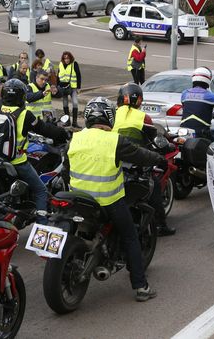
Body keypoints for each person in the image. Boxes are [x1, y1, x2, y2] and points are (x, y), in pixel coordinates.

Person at [63, 97, 167, 301]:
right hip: (107, 200)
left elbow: (66, 168)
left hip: (77, 197)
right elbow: (141, 155)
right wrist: (160, 159)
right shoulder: (114, 140)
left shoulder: (75, 138)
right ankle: (141, 287)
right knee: (130, 236)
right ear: (110, 117)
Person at [0, 79, 68, 217]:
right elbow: (44, 129)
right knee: (41, 191)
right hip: (17, 163)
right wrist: (63, 133)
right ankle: (42, 225)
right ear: (21, 96)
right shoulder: (24, 114)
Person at [113, 83, 176, 236]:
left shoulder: (113, 114)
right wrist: (167, 146)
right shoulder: (142, 117)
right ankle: (161, 225)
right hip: (136, 158)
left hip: (114, 157)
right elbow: (155, 137)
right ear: (138, 100)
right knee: (153, 186)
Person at [180, 67, 214, 140]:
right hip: (201, 132)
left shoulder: (184, 93)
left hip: (184, 131)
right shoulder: (210, 96)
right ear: (208, 80)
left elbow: (188, 106)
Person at [58, 51, 82, 127]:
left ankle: (74, 123)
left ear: (70, 58)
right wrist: (57, 86)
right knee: (65, 104)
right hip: (63, 88)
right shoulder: (60, 64)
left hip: (73, 87)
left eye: (68, 58)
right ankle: (67, 121)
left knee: (75, 103)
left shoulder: (74, 64)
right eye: (65, 58)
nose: (66, 60)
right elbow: (57, 76)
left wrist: (78, 87)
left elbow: (78, 75)